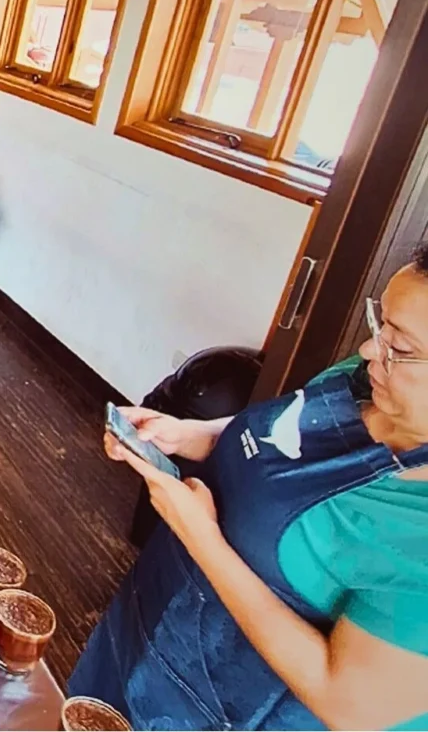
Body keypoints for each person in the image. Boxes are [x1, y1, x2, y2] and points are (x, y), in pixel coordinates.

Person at [71, 248, 428, 729]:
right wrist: (190, 435)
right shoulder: (366, 380)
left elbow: (347, 703)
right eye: (379, 324)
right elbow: (283, 436)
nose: (369, 350)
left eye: (399, 346)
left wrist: (202, 538)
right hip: (146, 632)